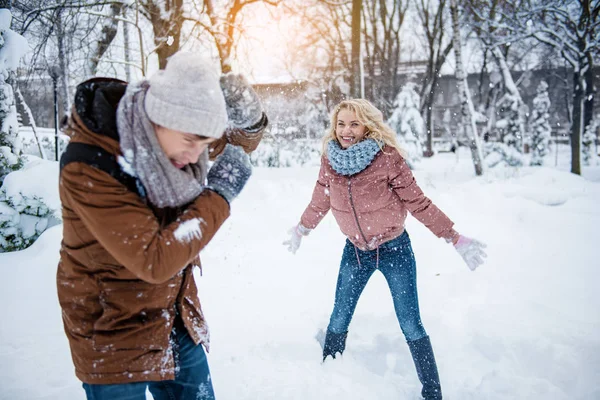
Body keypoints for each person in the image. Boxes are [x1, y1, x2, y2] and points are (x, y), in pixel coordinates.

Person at [57, 51, 268, 400]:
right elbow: (154, 258)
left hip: (172, 316)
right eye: (191, 142)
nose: (197, 154)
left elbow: (223, 139)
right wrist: (219, 195)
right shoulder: (89, 167)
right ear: (158, 119)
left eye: (204, 144)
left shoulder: (176, 131)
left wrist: (251, 122)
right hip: (113, 330)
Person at [284, 99, 486, 400]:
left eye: (354, 123)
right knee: (339, 317)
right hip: (355, 252)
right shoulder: (330, 160)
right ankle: (326, 380)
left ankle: (433, 393)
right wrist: (302, 227)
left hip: (395, 251)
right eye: (341, 124)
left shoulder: (387, 158)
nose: (346, 130)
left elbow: (418, 202)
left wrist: (453, 236)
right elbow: (320, 199)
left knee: (410, 322)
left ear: (368, 125)